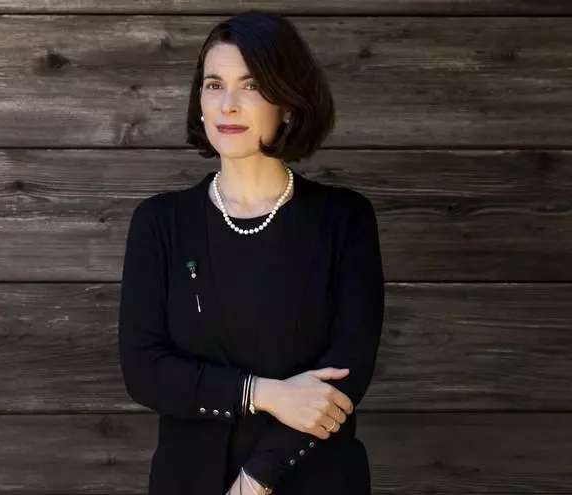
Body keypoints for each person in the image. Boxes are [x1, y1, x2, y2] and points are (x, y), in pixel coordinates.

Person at [117, 10, 384, 494]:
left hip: (315, 481)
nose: (229, 105)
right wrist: (261, 393)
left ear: (289, 105)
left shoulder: (344, 220)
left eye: (252, 85)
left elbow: (346, 373)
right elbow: (144, 370)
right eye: (214, 85)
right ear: (200, 102)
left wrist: (256, 479)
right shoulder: (161, 223)